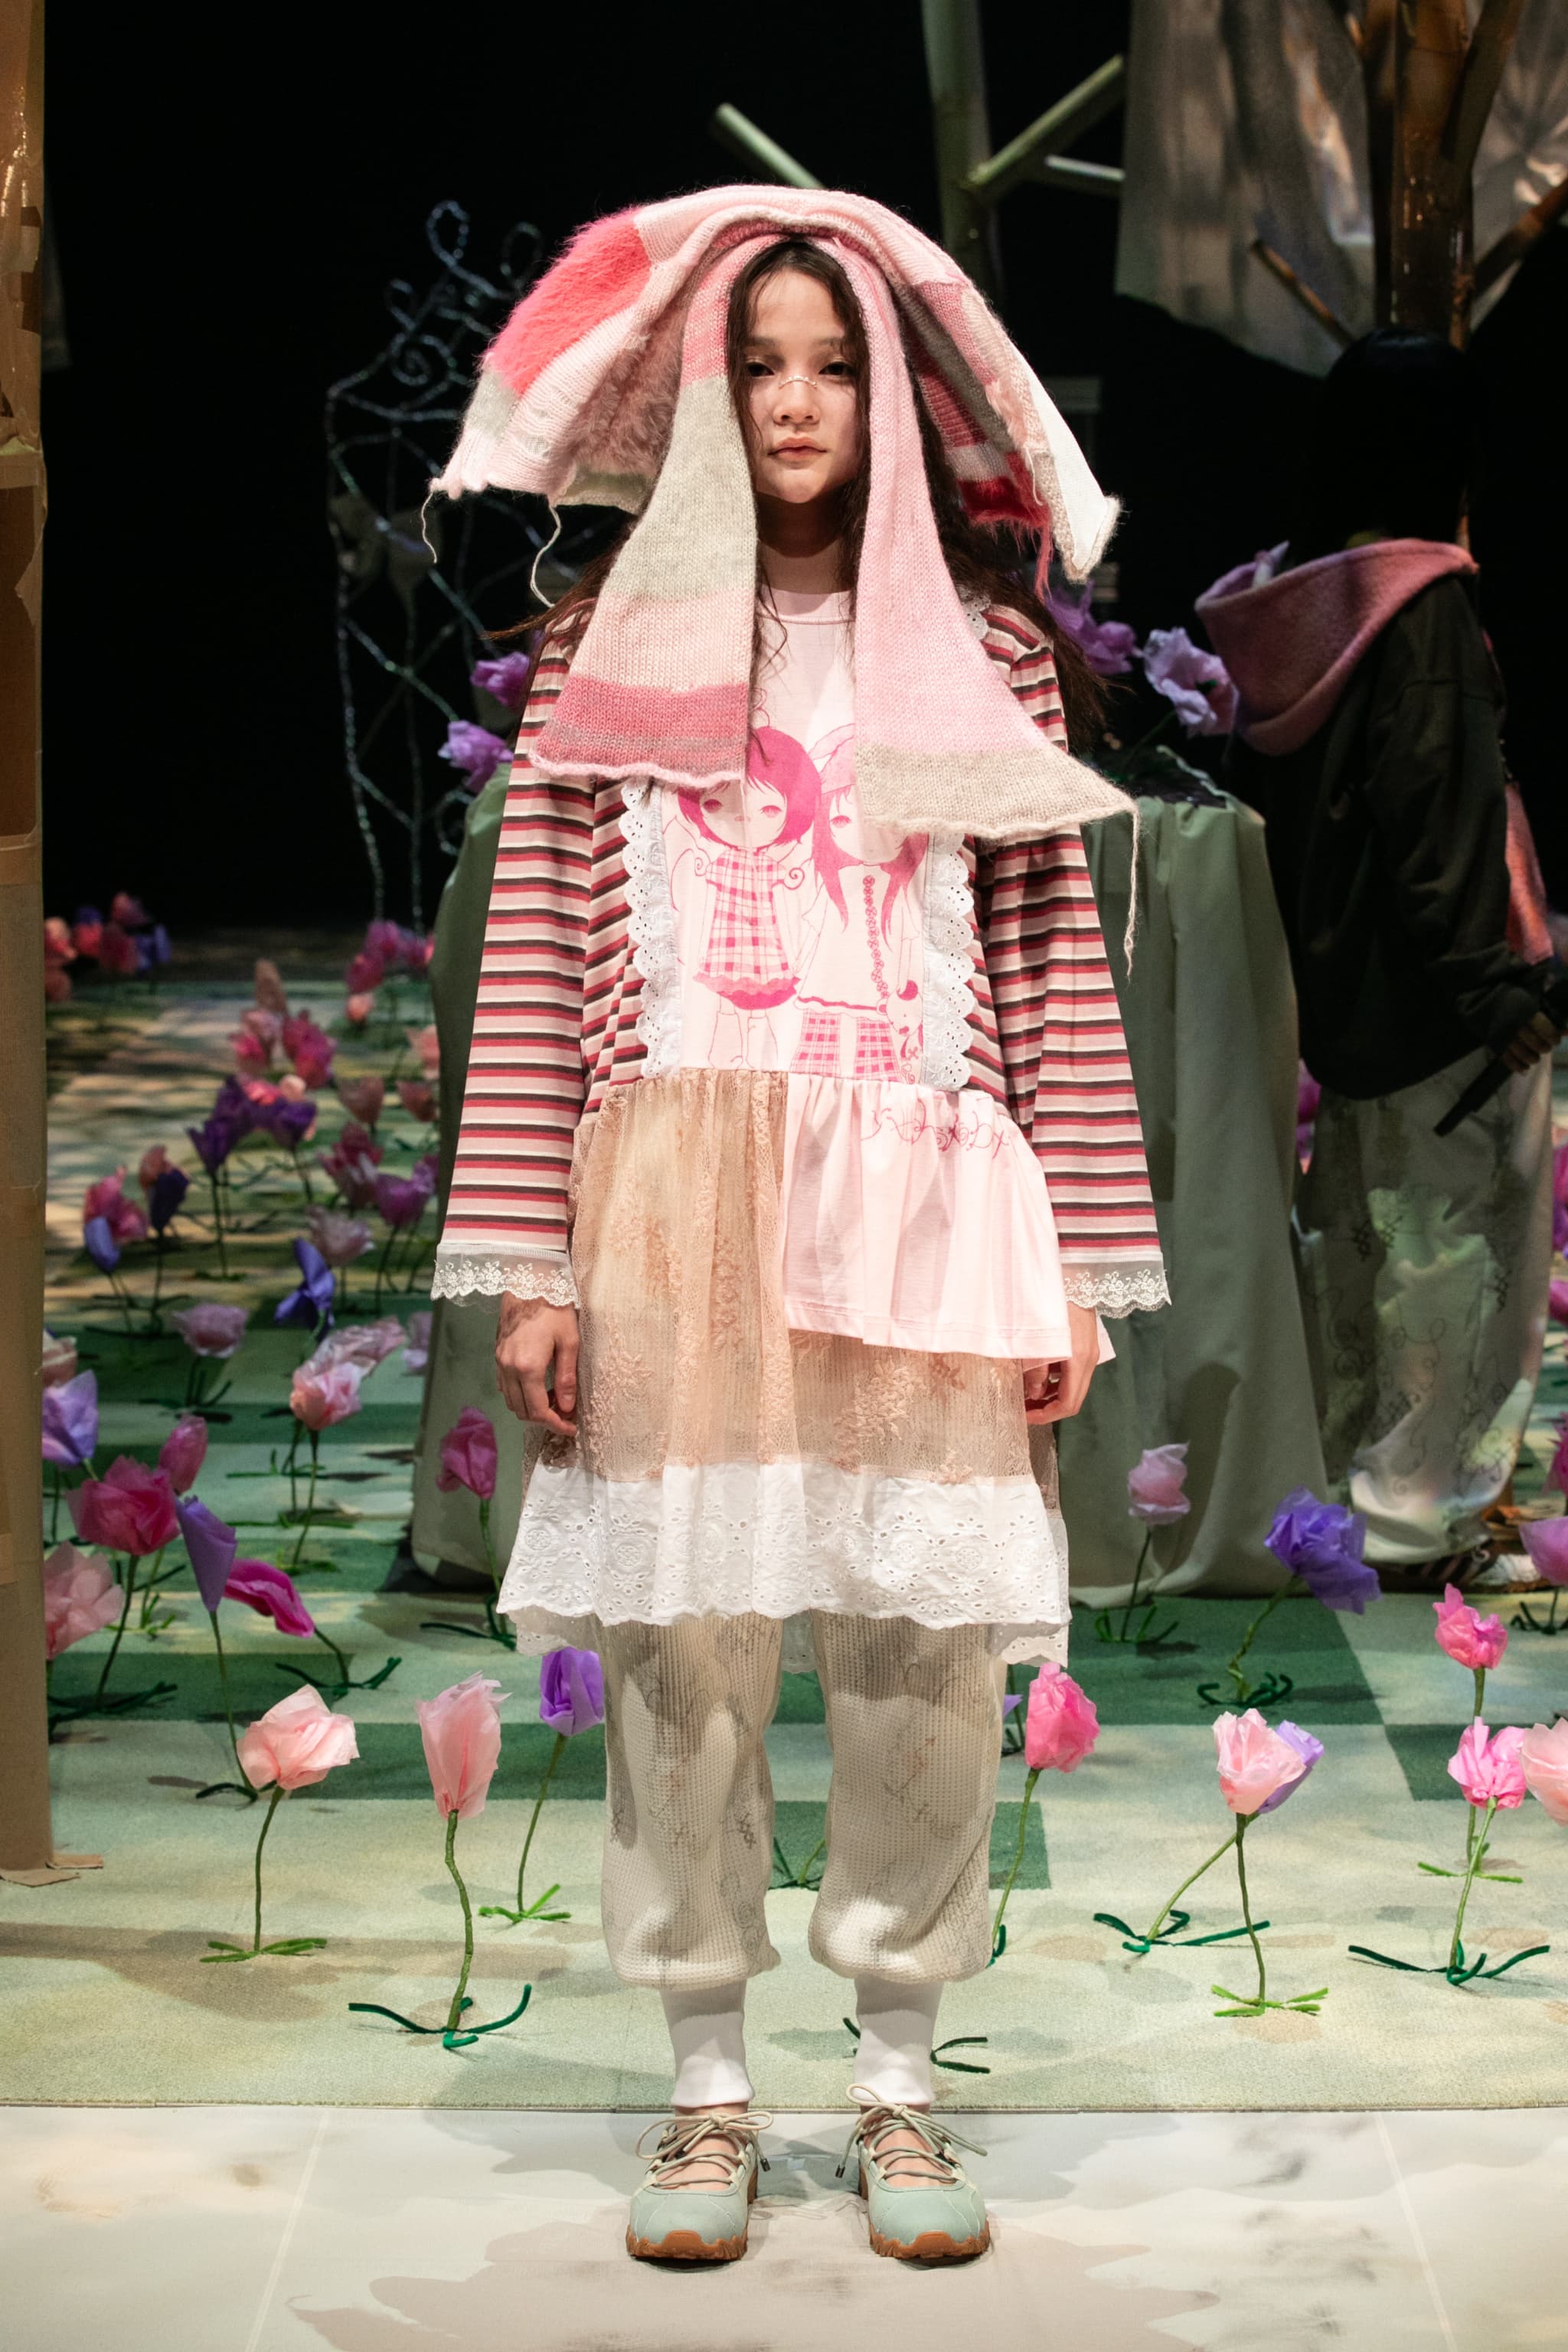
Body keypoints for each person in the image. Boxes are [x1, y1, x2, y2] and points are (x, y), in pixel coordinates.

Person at [430, 188, 1166, 2265]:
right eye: (754, 363)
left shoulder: (988, 657)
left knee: (920, 1650)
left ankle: (902, 2084)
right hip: (678, 1205)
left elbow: (1047, 980)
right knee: (685, 1653)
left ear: (894, 398)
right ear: (702, 392)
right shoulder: (602, 656)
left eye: (834, 364)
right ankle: (706, 2093)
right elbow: (539, 968)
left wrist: (1075, 1273)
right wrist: (538, 1267)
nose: (793, 401)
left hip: (924, 1206)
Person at [1199, 328, 1558, 1578]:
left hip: (1351, 998)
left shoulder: (1299, 604)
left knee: (1362, 1254)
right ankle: (1415, 1515)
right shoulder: (1422, 607)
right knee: (1456, 1261)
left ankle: (1359, 1495)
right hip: (1448, 1008)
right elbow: (1436, 807)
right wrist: (1492, 987)